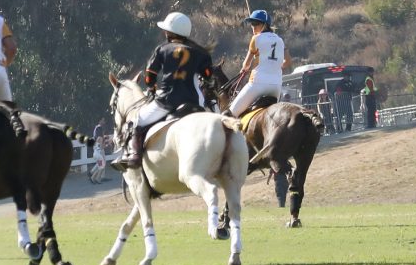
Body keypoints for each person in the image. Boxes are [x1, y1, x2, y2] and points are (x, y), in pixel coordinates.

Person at [109, 11, 217, 169]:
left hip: (167, 100)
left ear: (171, 32)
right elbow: (208, 75)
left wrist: (152, 87)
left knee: (136, 122)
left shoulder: (162, 49)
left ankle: (135, 156)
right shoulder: (200, 52)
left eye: (166, 30)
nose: (164, 32)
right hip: (194, 100)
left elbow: (149, 75)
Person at [228, 10, 288, 115]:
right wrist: (272, 66)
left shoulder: (256, 38)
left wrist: (245, 69)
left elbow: (246, 64)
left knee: (230, 114)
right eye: (252, 24)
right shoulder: (280, 40)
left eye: (256, 23)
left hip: (257, 84)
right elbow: (286, 62)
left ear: (265, 25)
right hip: (276, 87)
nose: (253, 26)